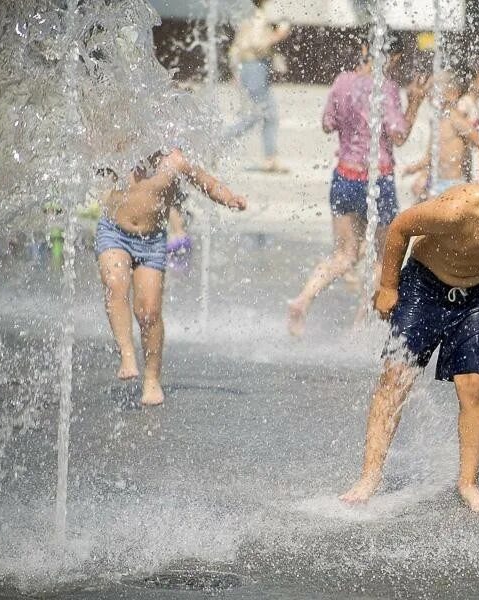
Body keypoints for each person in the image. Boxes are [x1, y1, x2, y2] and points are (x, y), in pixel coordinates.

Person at [340, 166, 479, 512]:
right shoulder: (457, 210)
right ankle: (370, 477)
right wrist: (387, 286)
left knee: (475, 386)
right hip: (423, 287)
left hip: (476, 296)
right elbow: (401, 226)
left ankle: (468, 483)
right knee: (396, 378)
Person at [286, 36, 429, 337]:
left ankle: (302, 300)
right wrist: (415, 102)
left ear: (365, 51)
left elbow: (327, 124)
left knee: (344, 255)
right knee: (382, 257)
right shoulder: (386, 87)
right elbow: (399, 134)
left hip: (344, 177)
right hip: (378, 180)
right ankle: (359, 326)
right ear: (394, 58)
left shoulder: (341, 81)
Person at [96, 149, 247, 406]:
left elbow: (206, 183)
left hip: (151, 241)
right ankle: (127, 354)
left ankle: (152, 378)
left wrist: (229, 198)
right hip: (114, 231)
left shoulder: (174, 161)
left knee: (149, 312)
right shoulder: (122, 148)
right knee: (114, 283)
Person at [405, 63, 479, 201]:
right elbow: (433, 155)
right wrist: (416, 169)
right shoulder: (437, 120)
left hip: (452, 185)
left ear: (452, 94)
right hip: (436, 183)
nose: (430, 94)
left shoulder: (456, 118)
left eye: (435, 91)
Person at [226, 0, 290, 173]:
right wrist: (278, 35)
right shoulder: (256, 15)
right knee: (256, 115)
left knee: (270, 115)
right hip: (254, 67)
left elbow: (237, 46)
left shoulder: (252, 13)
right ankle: (217, 142)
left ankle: (270, 158)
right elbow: (256, 44)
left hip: (255, 68)